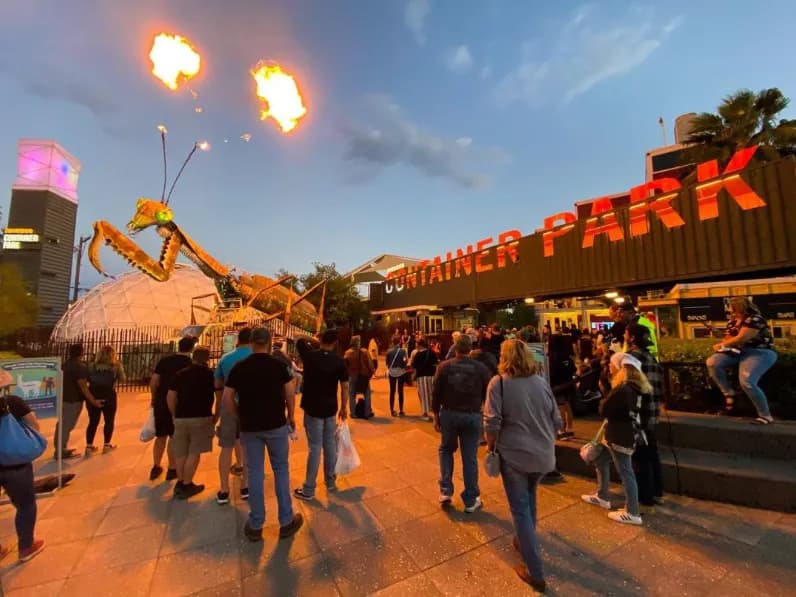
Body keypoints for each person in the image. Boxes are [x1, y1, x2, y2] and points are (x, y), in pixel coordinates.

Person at [484, 339, 560, 592]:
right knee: (530, 497)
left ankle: (535, 571)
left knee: (520, 509)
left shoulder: (499, 383)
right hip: (543, 454)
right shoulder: (541, 381)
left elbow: (492, 422)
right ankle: (522, 539)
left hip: (514, 454)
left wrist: (490, 445)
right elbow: (556, 420)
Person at [223, 327, 303, 542]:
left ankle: (256, 523)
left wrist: (238, 415)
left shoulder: (240, 367)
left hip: (250, 427)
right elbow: (290, 393)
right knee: (281, 469)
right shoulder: (279, 366)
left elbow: (227, 397)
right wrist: (291, 415)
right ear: (268, 343)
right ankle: (286, 520)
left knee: (255, 472)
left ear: (251, 343)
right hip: (276, 425)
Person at [581, 352, 649, 526]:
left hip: (619, 435)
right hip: (622, 433)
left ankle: (632, 511)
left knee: (626, 471)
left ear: (620, 368)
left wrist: (605, 393)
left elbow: (604, 408)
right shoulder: (636, 387)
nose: (609, 367)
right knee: (600, 459)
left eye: (611, 364)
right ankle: (602, 495)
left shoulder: (622, 389)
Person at [432, 335, 492, 512]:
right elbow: (487, 395)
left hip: (449, 414)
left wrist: (436, 415)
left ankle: (445, 490)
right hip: (472, 415)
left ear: (455, 347)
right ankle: (471, 498)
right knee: (469, 457)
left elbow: (436, 394)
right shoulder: (481, 368)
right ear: (470, 348)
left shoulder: (444, 367)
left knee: (445, 450)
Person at [294, 330, 349, 501]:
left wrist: (315, 340)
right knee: (330, 445)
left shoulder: (311, 356)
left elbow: (297, 338)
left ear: (321, 339)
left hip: (312, 408)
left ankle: (309, 488)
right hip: (330, 408)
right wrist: (344, 407)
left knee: (315, 448)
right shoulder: (339, 361)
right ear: (335, 343)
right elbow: (345, 386)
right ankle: (330, 481)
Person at [706, 297, 778, 424]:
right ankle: (729, 393)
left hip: (760, 352)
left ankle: (765, 416)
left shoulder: (755, 319)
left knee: (747, 382)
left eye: (731, 309)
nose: (729, 311)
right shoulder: (732, 322)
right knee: (713, 362)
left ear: (740, 308)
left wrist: (722, 345)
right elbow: (729, 339)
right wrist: (720, 336)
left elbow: (741, 338)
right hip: (738, 352)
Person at [0, 371, 46, 563]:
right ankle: (26, 546)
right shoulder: (13, 402)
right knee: (26, 505)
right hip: (14, 465)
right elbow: (34, 425)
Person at [625, 323, 665, 512]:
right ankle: (657, 492)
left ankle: (645, 497)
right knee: (651, 454)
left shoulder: (633, 357)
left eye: (626, 334)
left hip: (639, 413)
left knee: (639, 457)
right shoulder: (651, 358)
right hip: (652, 412)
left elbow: (626, 385)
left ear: (631, 337)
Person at [167, 346, 215, 499]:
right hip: (201, 416)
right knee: (194, 452)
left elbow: (170, 397)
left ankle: (180, 481)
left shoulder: (180, 375)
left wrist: (174, 414)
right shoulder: (210, 375)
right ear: (207, 358)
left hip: (181, 417)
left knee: (181, 451)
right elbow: (219, 395)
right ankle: (187, 484)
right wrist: (217, 416)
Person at [214, 328, 252, 505]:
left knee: (226, 447)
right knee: (247, 446)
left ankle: (223, 490)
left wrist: (217, 410)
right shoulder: (256, 357)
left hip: (228, 407)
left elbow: (218, 387)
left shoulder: (226, 359)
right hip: (248, 407)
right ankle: (245, 486)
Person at [149, 336, 195, 481]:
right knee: (173, 436)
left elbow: (154, 381)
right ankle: (172, 467)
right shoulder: (190, 364)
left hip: (162, 401)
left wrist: (154, 397)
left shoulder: (164, 361)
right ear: (191, 348)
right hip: (179, 403)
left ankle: (156, 466)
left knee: (160, 435)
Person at [56, 344, 101, 460]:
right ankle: (61, 451)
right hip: (73, 400)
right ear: (81, 352)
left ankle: (60, 447)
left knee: (62, 424)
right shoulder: (80, 367)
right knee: (67, 425)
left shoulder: (64, 365)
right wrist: (93, 401)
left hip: (63, 398)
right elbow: (83, 387)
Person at [85, 345, 126, 455]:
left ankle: (89, 446)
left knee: (93, 421)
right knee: (109, 421)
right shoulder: (116, 366)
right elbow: (123, 380)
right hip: (109, 396)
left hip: (93, 396)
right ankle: (106, 445)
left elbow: (87, 379)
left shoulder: (92, 366)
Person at [343, 336, 375, 419]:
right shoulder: (364, 352)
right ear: (357, 343)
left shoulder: (347, 353)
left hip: (352, 376)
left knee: (352, 394)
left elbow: (344, 366)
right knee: (367, 393)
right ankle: (367, 412)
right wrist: (372, 372)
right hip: (362, 376)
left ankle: (353, 413)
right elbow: (370, 364)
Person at [411, 338, 438, 421]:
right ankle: (435, 413)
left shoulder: (417, 355)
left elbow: (415, 368)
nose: (416, 345)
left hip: (422, 377)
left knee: (423, 395)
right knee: (431, 395)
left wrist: (413, 377)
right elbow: (436, 365)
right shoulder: (432, 353)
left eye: (416, 344)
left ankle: (425, 414)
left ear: (419, 345)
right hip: (432, 377)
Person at [385, 338, 408, 417]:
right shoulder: (403, 351)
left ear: (392, 342)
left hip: (392, 372)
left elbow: (387, 363)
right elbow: (405, 360)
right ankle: (401, 410)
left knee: (392, 391)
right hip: (401, 372)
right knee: (400, 391)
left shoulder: (389, 351)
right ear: (399, 342)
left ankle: (392, 410)